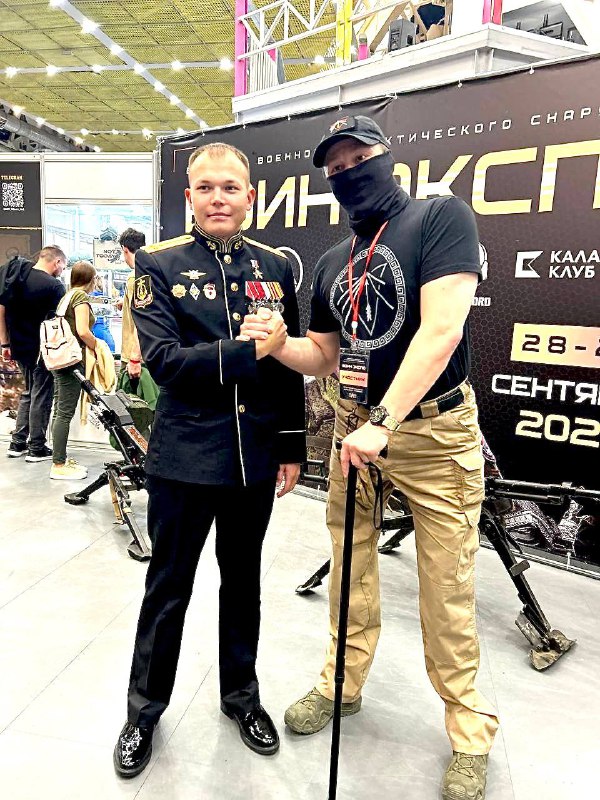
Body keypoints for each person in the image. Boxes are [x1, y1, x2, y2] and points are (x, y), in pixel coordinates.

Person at [239, 116, 499, 800]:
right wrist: (278, 345)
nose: (347, 173)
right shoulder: (334, 261)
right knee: (348, 570)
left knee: (446, 588)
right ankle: (341, 685)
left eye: (358, 158)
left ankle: (470, 731)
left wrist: (385, 421)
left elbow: (442, 330)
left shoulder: (439, 218)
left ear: (387, 157)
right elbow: (324, 355)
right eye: (335, 168)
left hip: (431, 434)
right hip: (357, 432)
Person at [113, 142, 306, 779]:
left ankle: (241, 697)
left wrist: (291, 445)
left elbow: (288, 366)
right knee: (168, 587)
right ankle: (143, 711)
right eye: (205, 188)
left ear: (250, 195)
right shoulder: (158, 264)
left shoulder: (276, 265)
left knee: (243, 584)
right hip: (184, 458)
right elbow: (164, 363)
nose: (218, 199)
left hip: (254, 458)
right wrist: (245, 352)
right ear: (189, 196)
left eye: (230, 188)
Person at [0, 246, 66, 461]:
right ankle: (37, 447)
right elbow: (61, 322)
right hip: (43, 348)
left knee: (29, 392)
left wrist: (4, 343)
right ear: (56, 262)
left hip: (18, 345)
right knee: (41, 394)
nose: (62, 271)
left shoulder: (15, 277)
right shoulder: (54, 286)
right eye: (63, 266)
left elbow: (1, 310)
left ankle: (18, 442)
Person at [50, 260, 98, 480]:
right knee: (65, 412)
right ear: (91, 279)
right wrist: (98, 346)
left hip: (59, 359)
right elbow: (83, 331)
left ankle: (58, 458)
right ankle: (59, 465)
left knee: (59, 410)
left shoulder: (67, 296)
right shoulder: (80, 297)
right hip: (72, 361)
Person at [117, 228, 146, 378]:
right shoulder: (150, 273)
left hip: (134, 355)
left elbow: (141, 319)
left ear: (125, 249)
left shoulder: (134, 278)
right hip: (148, 352)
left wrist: (134, 358)